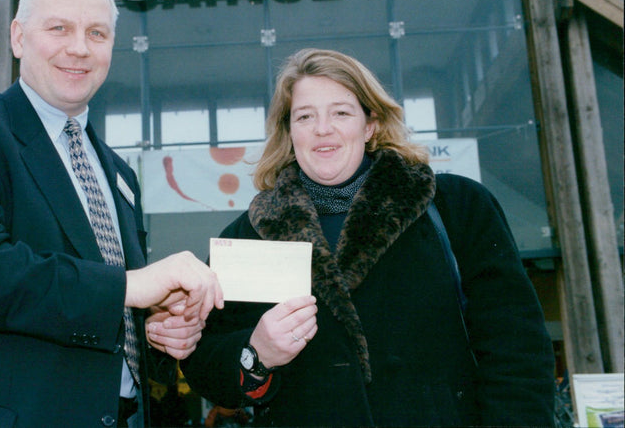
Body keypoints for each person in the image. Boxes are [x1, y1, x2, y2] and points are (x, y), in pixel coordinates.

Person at [0, 0, 222, 428]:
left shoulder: (120, 174)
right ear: (19, 37)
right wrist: (131, 287)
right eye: (59, 28)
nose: (80, 47)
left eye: (97, 33)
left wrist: (153, 332)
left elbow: (99, 309)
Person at [179, 48, 556, 426]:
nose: (322, 129)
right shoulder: (253, 234)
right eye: (305, 116)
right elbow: (205, 362)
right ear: (288, 131)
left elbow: (516, 351)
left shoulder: (454, 207)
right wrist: (255, 352)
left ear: (371, 124)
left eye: (341, 113)